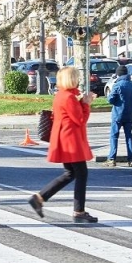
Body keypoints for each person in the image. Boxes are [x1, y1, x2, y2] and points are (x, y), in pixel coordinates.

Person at [28, 66, 98, 224]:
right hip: (71, 139)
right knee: (81, 174)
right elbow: (80, 120)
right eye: (76, 77)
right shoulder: (68, 97)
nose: (78, 80)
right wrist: (86, 104)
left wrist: (81, 101)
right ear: (72, 79)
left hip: (65, 138)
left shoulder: (62, 95)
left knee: (70, 173)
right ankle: (78, 210)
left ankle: (40, 197)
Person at [105, 65, 132, 167]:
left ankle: (112, 159)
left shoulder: (117, 85)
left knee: (114, 136)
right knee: (129, 136)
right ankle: (131, 159)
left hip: (117, 114)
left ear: (118, 74)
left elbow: (110, 99)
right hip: (129, 114)